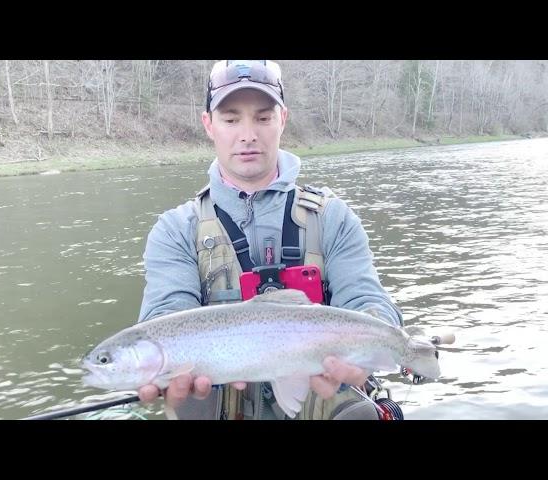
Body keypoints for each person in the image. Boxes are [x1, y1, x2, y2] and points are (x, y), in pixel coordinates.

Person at [135, 60, 403, 420]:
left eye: (262, 118)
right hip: (220, 397)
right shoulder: (175, 229)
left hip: (318, 389)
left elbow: (366, 297)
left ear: (283, 120)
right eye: (231, 119)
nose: (248, 134)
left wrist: (373, 341)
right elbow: (167, 314)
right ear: (208, 125)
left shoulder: (333, 217)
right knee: (187, 406)